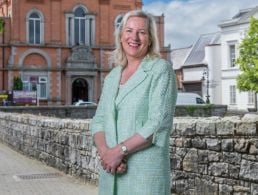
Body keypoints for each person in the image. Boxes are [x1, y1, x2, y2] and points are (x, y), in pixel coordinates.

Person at [90, 9, 177, 195]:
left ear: (150, 39)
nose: (134, 37)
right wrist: (107, 154)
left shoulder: (160, 70)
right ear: (121, 36)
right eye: (129, 30)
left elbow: (158, 123)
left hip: (144, 176)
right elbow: (98, 121)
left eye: (141, 32)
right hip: (111, 173)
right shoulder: (112, 76)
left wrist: (119, 151)